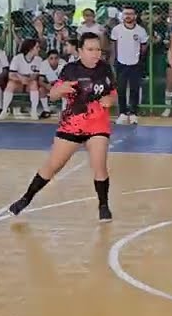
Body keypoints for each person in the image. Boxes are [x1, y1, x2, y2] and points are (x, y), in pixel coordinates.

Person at [8, 33, 117, 222]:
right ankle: (26, 198)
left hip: (97, 124)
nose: (95, 53)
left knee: (100, 165)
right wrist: (60, 90)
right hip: (72, 124)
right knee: (52, 166)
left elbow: (113, 93)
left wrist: (110, 100)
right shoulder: (70, 69)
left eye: (98, 49)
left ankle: (103, 205)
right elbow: (53, 94)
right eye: (90, 49)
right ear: (80, 51)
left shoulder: (105, 69)